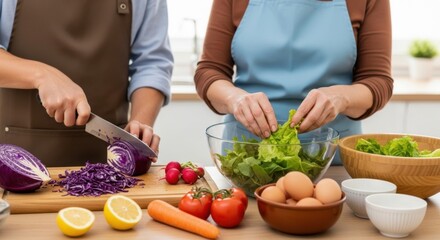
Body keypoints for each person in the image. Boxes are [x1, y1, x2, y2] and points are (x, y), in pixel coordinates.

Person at [194, 0, 393, 164]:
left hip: (330, 159)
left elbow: (378, 81)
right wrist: (234, 98)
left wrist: (342, 98)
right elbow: (210, 71)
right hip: (247, 159)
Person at [0, 0, 173, 167]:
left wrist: (139, 126)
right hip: (14, 166)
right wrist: (41, 75)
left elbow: (152, 63)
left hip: (112, 166)